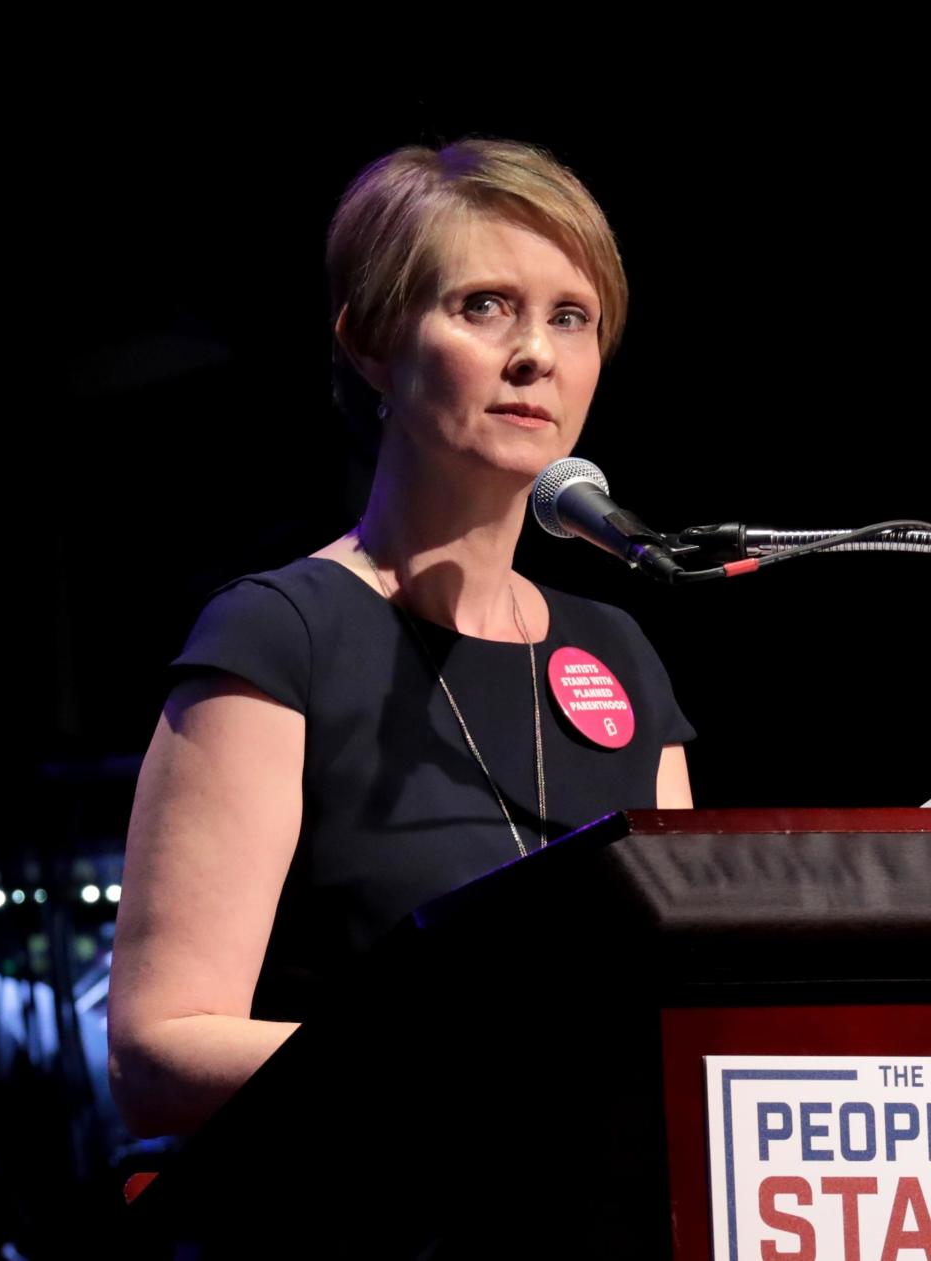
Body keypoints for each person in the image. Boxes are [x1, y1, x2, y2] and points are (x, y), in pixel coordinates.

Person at [106, 138, 694, 1151]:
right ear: (373, 341)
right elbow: (159, 1052)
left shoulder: (621, 652)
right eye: (482, 306)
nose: (535, 355)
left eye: (571, 317)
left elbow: (687, 985)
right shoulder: (280, 634)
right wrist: (472, 1060)